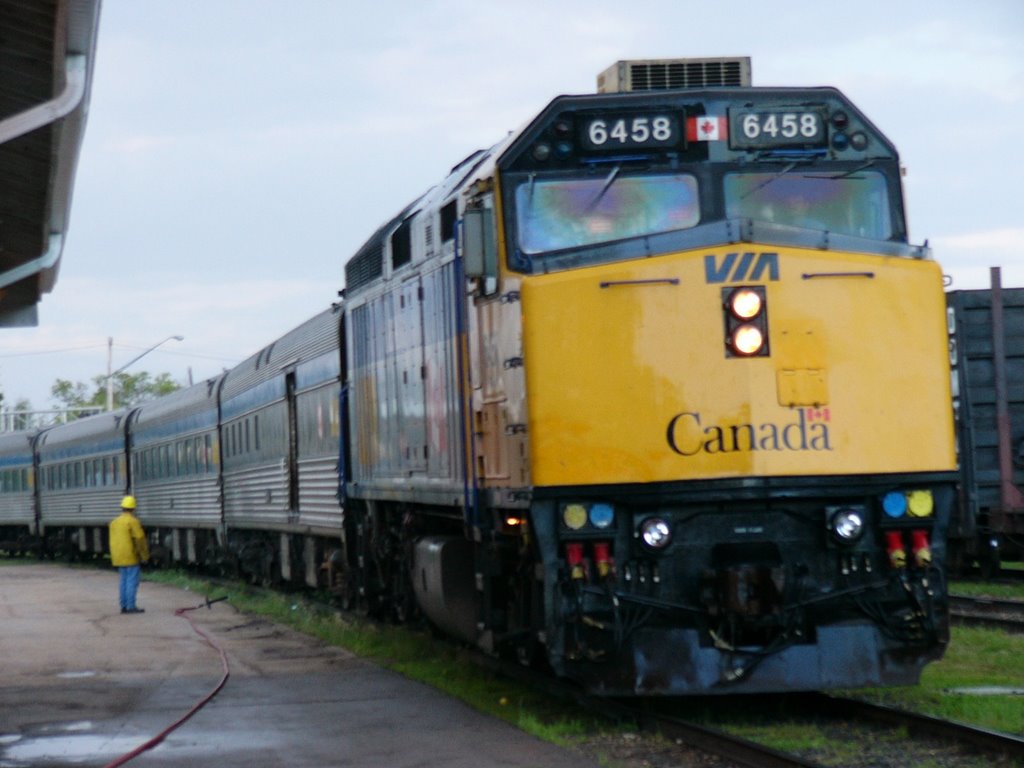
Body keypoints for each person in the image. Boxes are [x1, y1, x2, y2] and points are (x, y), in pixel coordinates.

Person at [109, 495, 149, 614]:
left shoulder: (114, 523)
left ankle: (124, 606)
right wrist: (144, 555)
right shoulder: (133, 522)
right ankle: (131, 606)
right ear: (133, 508)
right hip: (131, 556)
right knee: (132, 581)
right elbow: (140, 539)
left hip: (118, 556)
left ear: (122, 507)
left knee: (123, 581)